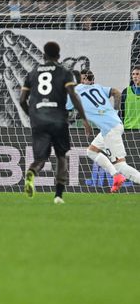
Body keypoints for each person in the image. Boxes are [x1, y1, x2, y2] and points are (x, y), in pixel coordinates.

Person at [19, 42, 92, 204]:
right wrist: (84, 119)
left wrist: (32, 115)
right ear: (58, 57)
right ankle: (58, 196)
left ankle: (31, 172)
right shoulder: (65, 72)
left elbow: (22, 99)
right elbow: (73, 95)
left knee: (40, 158)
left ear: (44, 57)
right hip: (58, 119)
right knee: (61, 157)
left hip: (38, 119)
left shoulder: (32, 73)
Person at [68, 70, 140, 191]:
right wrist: (115, 111)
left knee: (120, 165)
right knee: (91, 151)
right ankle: (116, 177)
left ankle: (118, 174)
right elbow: (116, 92)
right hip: (113, 125)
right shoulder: (97, 87)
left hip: (110, 130)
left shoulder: (75, 91)